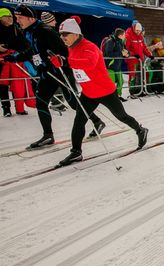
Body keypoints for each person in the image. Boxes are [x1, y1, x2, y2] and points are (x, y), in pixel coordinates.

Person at [4, 4, 104, 148]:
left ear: (30, 18)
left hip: (61, 71)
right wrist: (14, 57)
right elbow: (33, 51)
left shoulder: (45, 31)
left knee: (72, 102)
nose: (17, 21)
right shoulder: (29, 31)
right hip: (47, 73)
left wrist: (59, 60)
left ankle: (97, 121)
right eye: (16, 18)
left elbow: (65, 51)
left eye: (20, 18)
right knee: (41, 101)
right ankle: (48, 135)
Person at [51, 18, 148, 166]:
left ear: (76, 34)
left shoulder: (89, 47)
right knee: (79, 121)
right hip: (88, 93)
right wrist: (60, 63)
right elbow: (73, 67)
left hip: (105, 91)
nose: (63, 37)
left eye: (66, 34)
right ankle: (76, 152)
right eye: (61, 34)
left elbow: (88, 64)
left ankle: (140, 130)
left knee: (121, 116)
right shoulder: (70, 48)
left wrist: (65, 62)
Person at [125, 21, 153, 96]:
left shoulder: (140, 36)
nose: (138, 32)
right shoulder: (128, 35)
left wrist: (149, 54)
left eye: (139, 31)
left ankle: (139, 90)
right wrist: (133, 54)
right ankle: (132, 90)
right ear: (134, 28)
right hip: (132, 60)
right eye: (137, 30)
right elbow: (126, 48)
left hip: (141, 59)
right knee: (133, 75)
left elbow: (144, 47)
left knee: (141, 75)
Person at [103, 28, 129, 102]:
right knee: (111, 83)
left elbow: (125, 51)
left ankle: (117, 96)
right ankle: (110, 98)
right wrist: (121, 53)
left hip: (117, 66)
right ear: (120, 35)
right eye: (124, 34)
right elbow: (108, 54)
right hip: (110, 66)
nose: (125, 36)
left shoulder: (121, 42)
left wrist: (127, 54)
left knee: (121, 82)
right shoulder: (110, 41)